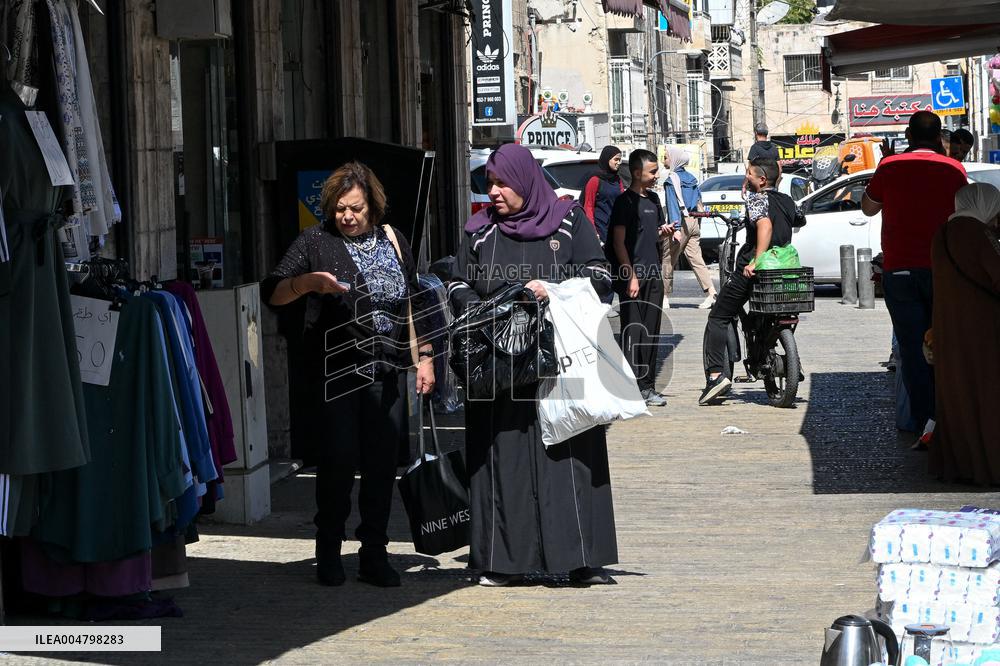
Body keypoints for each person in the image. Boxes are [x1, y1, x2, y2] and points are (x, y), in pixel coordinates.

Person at [448, 143, 618, 587]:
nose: (495, 192)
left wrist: (553, 289)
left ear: (525, 180)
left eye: (503, 183)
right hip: (499, 366)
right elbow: (456, 284)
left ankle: (581, 559)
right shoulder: (480, 230)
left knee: (570, 454)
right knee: (503, 457)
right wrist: (489, 308)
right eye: (490, 184)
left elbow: (600, 278)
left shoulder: (568, 221)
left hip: (560, 362)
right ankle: (502, 561)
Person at [261, 161, 436, 588]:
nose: (348, 217)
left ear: (372, 206)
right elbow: (273, 291)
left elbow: (413, 297)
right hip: (337, 373)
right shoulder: (316, 242)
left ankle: (374, 553)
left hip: (387, 370)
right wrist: (308, 285)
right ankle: (328, 550)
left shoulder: (393, 239)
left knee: (381, 466)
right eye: (340, 209)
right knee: (338, 463)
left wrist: (425, 355)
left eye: (355, 208)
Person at [861, 111, 967, 442]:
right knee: (943, 345)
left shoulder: (890, 167)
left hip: (901, 270)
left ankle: (926, 423)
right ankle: (946, 417)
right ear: (939, 138)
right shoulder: (954, 169)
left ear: (908, 135)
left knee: (911, 349)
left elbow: (868, 207)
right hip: (943, 270)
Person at [700, 159, 795, 405]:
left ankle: (715, 376)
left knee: (718, 316)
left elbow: (764, 225)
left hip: (754, 267)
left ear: (761, 180)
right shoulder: (786, 200)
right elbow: (796, 220)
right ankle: (784, 358)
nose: (746, 177)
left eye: (749, 173)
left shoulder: (756, 199)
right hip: (783, 267)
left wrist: (756, 260)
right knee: (762, 313)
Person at [929, 183, 1000, 484]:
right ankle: (989, 466)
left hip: (949, 327)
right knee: (986, 395)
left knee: (957, 396)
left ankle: (959, 465)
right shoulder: (978, 234)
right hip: (983, 328)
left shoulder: (942, 234)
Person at [608, 149, 669, 407]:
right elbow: (618, 242)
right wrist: (631, 275)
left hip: (654, 274)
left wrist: (663, 233)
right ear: (636, 172)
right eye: (652, 171)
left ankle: (647, 387)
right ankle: (630, 387)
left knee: (652, 332)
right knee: (634, 332)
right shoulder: (624, 202)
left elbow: (650, 235)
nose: (656, 175)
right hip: (632, 276)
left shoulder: (654, 199)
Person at [661, 146, 717, 310]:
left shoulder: (672, 179)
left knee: (668, 258)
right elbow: (699, 201)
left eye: (666, 157)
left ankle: (664, 296)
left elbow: (673, 205)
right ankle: (711, 293)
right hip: (693, 222)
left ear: (674, 159)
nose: (664, 159)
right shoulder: (692, 178)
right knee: (697, 260)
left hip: (680, 222)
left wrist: (676, 228)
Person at [581, 145, 625, 244]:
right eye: (616, 159)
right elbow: (588, 206)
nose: (619, 162)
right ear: (607, 159)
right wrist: (593, 232)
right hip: (600, 228)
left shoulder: (617, 180)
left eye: (620, 160)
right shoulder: (595, 179)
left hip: (615, 228)